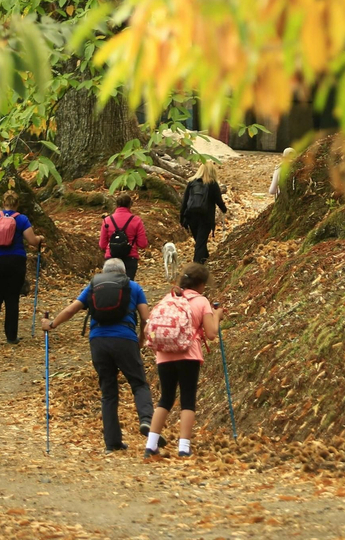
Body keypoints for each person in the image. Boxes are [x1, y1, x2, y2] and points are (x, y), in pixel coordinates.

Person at [42, 257, 153, 453]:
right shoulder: (134, 287)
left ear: (104, 272)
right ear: (123, 273)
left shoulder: (94, 286)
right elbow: (146, 317)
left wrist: (52, 325)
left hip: (99, 341)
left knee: (108, 392)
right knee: (138, 383)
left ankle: (112, 443)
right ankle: (146, 420)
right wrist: (142, 339)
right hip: (125, 339)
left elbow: (71, 309)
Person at [143, 262, 220, 461]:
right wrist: (217, 316)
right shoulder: (201, 301)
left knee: (165, 398)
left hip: (164, 354)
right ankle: (184, 447)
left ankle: (151, 445)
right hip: (188, 354)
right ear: (201, 284)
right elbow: (211, 334)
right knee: (187, 398)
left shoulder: (169, 297)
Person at [0, 190, 43, 344]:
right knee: (12, 298)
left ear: (3, 203)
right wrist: (40, 238)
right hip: (15, 262)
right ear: (17, 204)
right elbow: (32, 241)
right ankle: (11, 336)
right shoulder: (22, 219)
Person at [179, 162, 228, 264]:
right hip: (206, 218)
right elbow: (218, 200)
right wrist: (224, 209)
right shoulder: (212, 184)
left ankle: (205, 259)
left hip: (191, 217)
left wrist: (182, 217)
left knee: (199, 241)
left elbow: (185, 201)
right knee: (200, 243)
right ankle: (197, 267)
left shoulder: (192, 182)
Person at [97, 193, 148, 281]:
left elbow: (102, 245)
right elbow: (142, 244)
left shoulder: (107, 220)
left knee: (111, 285)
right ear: (130, 205)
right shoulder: (136, 221)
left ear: (116, 204)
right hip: (130, 258)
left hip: (111, 258)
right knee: (127, 286)